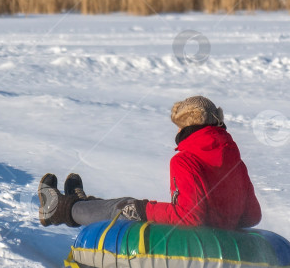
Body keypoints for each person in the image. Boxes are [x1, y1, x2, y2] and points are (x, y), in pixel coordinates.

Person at [38, 96, 262, 230]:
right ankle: (82, 202)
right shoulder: (235, 161)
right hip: (218, 237)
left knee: (127, 207)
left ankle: (59, 209)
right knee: (132, 207)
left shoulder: (185, 159)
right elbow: (252, 215)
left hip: (197, 240)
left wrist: (144, 209)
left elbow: (190, 216)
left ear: (185, 128)